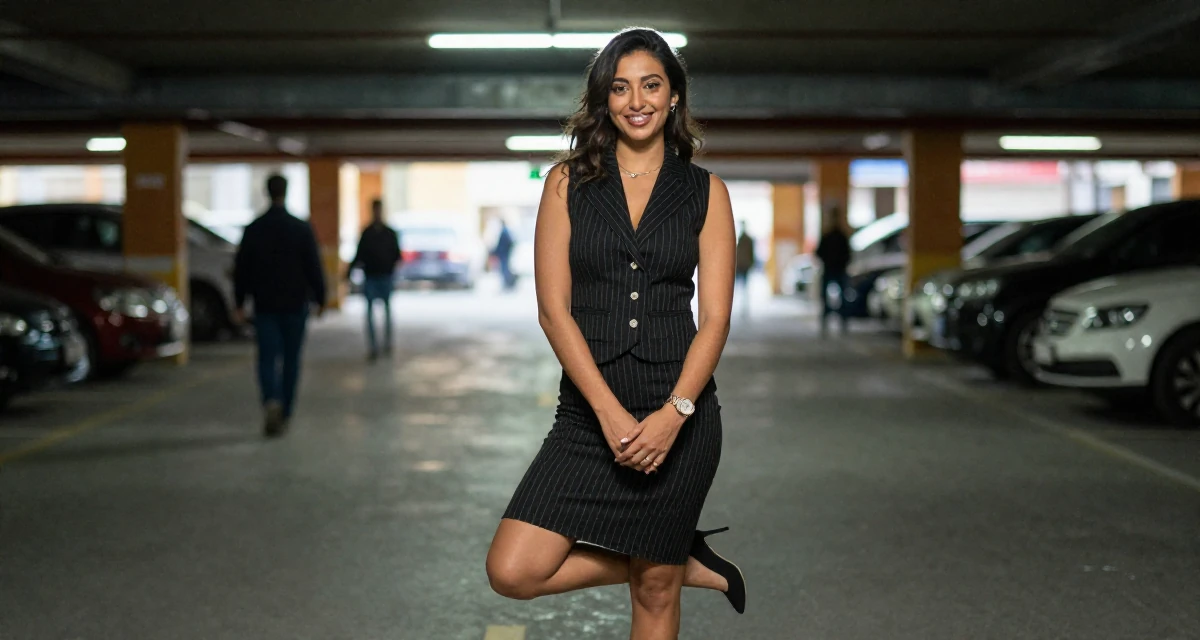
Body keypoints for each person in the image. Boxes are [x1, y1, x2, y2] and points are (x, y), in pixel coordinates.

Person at [486, 28, 747, 638]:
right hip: (586, 416)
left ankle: (667, 564)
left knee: (653, 592)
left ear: (674, 96)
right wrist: (605, 412)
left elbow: (715, 319)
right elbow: (555, 311)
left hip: (677, 414)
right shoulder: (566, 183)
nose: (637, 100)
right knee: (513, 570)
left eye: (652, 85)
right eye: (621, 87)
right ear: (604, 100)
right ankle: (684, 559)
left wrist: (674, 413)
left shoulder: (707, 193)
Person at [233, 174, 327, 437]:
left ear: (266, 192)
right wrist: (321, 298)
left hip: (265, 305)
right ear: (286, 192)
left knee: (266, 357)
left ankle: (270, 400)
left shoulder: (254, 229)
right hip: (296, 304)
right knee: (291, 359)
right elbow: (313, 266)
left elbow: (242, 269)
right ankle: (285, 410)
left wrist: (239, 302)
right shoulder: (300, 228)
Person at [349, 199, 401, 360]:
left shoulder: (389, 233)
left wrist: (390, 269)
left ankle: (387, 344)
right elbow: (359, 254)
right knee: (370, 312)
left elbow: (396, 255)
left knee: (387, 311)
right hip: (371, 276)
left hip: (385, 276)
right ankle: (373, 346)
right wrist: (349, 272)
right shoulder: (367, 233)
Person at [815, 208, 851, 337]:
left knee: (836, 297)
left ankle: (837, 320)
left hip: (834, 268)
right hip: (834, 268)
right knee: (832, 297)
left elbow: (819, 252)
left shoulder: (834, 235)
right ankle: (835, 320)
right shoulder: (836, 236)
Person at [734, 222, 755, 317]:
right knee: (740, 285)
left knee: (743, 285)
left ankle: (743, 301)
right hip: (742, 264)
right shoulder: (742, 238)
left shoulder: (746, 239)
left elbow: (751, 253)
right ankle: (740, 301)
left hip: (743, 264)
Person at [492, 219, 517, 291]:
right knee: (504, 269)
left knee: (505, 269)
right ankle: (507, 283)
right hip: (504, 253)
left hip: (504, 254)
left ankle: (508, 283)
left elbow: (504, 243)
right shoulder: (506, 231)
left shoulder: (504, 231)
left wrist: (497, 251)